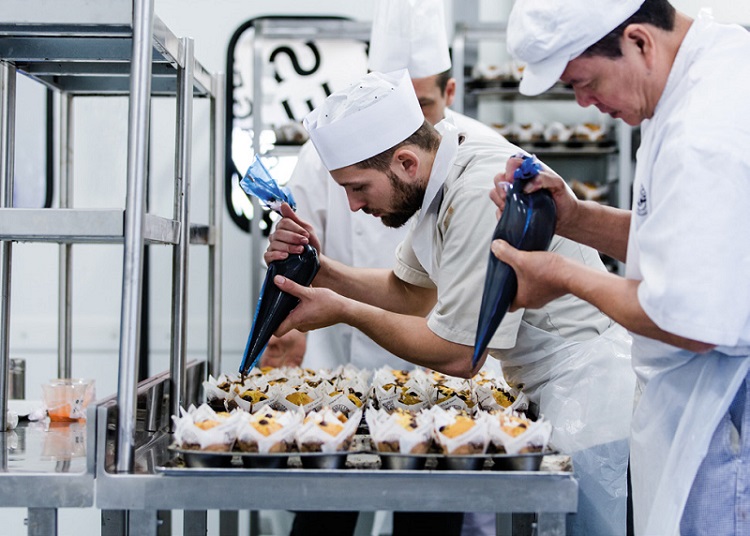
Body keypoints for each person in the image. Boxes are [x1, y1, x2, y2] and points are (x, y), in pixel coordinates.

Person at [265, 68, 636, 535]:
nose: (354, 207)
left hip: (592, 402)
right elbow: (409, 294)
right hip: (553, 394)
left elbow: (460, 354)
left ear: (405, 163)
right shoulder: (439, 183)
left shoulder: (476, 190)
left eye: (358, 188)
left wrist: (344, 310)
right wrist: (320, 268)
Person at [491, 0, 750, 534]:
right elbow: (681, 242)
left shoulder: (707, 127)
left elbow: (688, 318)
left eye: (584, 81)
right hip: (696, 406)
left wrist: (561, 276)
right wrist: (574, 216)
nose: (585, 102)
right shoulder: (695, 81)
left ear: (638, 41)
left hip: (723, 416)